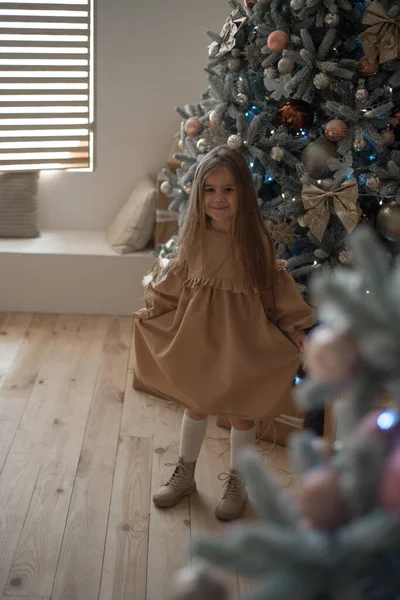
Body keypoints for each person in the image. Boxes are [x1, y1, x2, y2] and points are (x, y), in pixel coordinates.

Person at [133, 146, 315, 521]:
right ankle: (185, 472)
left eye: (228, 190)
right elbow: (177, 280)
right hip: (200, 338)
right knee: (196, 405)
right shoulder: (195, 238)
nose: (218, 199)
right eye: (210, 190)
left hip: (243, 342)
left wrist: (292, 326)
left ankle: (239, 481)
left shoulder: (255, 243)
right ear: (199, 193)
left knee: (243, 413)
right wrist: (154, 308)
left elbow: (274, 289)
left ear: (243, 193)